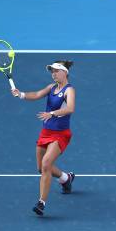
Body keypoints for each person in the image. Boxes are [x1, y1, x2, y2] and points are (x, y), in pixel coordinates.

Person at [11, 60, 76, 216]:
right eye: (51, 71)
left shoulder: (69, 90)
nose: (53, 74)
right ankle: (65, 178)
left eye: (55, 71)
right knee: (41, 168)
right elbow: (37, 94)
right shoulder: (51, 88)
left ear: (64, 72)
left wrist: (52, 113)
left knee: (47, 163)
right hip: (46, 132)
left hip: (61, 134)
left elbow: (70, 108)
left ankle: (41, 203)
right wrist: (21, 94)